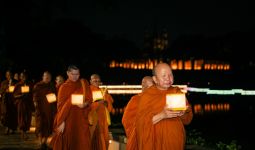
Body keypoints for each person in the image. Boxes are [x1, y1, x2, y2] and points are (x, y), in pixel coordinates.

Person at [135, 63, 193, 150]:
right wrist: (162, 115)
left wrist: (182, 113)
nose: (168, 78)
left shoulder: (176, 92)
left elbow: (187, 120)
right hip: (154, 142)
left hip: (175, 141)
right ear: (155, 79)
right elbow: (140, 123)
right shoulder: (147, 95)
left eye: (170, 75)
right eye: (164, 76)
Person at [50, 65, 92, 150]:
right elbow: (60, 106)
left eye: (77, 74)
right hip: (68, 119)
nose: (75, 76)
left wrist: (85, 104)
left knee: (83, 141)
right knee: (70, 141)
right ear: (68, 73)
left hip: (81, 118)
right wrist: (62, 121)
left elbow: (90, 99)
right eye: (73, 74)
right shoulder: (64, 87)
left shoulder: (83, 83)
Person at [122, 76, 154, 150]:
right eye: (146, 86)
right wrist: (135, 132)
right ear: (143, 86)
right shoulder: (136, 99)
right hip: (138, 137)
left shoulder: (156, 100)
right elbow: (126, 120)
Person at [89, 74, 114, 150]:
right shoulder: (88, 91)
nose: (97, 82)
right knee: (92, 140)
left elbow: (110, 108)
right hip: (92, 120)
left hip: (103, 120)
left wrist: (106, 103)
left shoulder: (103, 92)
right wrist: (98, 103)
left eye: (98, 81)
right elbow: (86, 106)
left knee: (103, 140)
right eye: (94, 81)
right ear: (90, 81)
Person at [33, 71, 56, 148]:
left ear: (50, 78)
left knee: (48, 126)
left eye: (49, 77)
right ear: (42, 77)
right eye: (46, 76)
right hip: (40, 109)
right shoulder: (38, 86)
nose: (47, 78)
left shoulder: (52, 86)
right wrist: (36, 105)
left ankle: (45, 141)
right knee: (40, 126)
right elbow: (35, 97)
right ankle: (40, 141)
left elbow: (54, 97)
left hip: (50, 110)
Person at [13, 72, 34, 140]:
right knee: (21, 117)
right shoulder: (18, 85)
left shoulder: (29, 84)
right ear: (20, 77)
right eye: (22, 76)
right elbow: (14, 95)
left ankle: (24, 132)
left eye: (24, 76)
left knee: (27, 117)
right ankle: (23, 133)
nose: (23, 78)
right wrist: (21, 95)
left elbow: (32, 93)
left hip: (28, 103)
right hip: (21, 103)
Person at [0, 70, 18, 135]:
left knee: (13, 115)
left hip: (13, 101)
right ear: (6, 76)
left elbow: (18, 90)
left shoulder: (16, 82)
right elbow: (1, 91)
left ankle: (12, 129)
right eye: (8, 75)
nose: (9, 76)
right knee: (6, 114)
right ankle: (7, 128)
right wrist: (6, 90)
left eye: (10, 75)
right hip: (6, 101)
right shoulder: (3, 82)